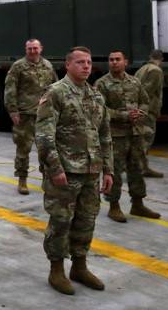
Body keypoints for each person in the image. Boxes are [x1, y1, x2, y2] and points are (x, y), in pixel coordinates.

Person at [35, 47, 113, 295]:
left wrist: (108, 170)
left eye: (89, 62)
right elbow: (45, 135)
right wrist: (55, 168)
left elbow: (105, 135)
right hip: (65, 172)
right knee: (61, 221)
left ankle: (79, 266)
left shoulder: (96, 95)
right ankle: (56, 269)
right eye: (80, 62)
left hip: (91, 170)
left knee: (86, 220)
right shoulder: (56, 93)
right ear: (67, 65)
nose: (86, 66)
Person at [94, 50, 159, 222]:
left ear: (126, 62)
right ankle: (113, 206)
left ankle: (138, 204)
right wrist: (123, 116)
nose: (114, 62)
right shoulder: (102, 84)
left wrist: (141, 113)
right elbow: (99, 109)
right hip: (115, 136)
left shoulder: (135, 82)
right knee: (113, 171)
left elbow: (145, 100)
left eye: (117, 59)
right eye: (111, 59)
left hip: (135, 133)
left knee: (136, 169)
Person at [4, 39, 57, 195]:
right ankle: (22, 180)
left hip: (45, 114)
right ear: (26, 50)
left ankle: (46, 180)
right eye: (29, 48)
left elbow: (55, 87)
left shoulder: (47, 65)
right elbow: (10, 89)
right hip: (25, 114)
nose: (32, 51)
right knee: (23, 149)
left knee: (46, 149)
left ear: (41, 49)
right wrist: (13, 111)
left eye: (35, 48)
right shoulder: (18, 66)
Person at [134, 49, 165, 177]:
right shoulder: (156, 70)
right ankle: (139, 167)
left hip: (140, 108)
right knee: (146, 138)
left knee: (142, 138)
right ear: (161, 59)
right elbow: (148, 91)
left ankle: (143, 166)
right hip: (148, 110)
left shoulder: (142, 69)